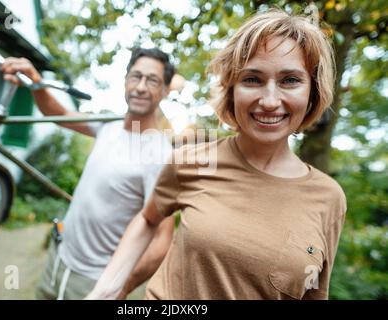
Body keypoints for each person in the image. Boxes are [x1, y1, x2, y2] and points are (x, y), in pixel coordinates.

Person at [86, 9, 347, 300]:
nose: (270, 101)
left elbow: (313, 293)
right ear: (231, 90)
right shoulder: (191, 161)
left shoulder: (329, 198)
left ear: (312, 92)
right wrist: (106, 290)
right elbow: (148, 219)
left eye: (290, 80)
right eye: (252, 79)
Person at [0, 48, 177, 300]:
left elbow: (162, 240)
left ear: (166, 90)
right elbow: (58, 115)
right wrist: (36, 83)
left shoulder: (160, 155)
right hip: (58, 260)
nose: (140, 86)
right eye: (135, 76)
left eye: (152, 80)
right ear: (125, 80)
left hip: (94, 282)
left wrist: (120, 286)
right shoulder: (109, 125)